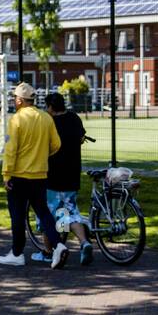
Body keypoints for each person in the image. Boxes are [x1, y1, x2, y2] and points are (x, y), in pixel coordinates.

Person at [0, 82, 67, 268]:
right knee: (43, 212)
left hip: (19, 175)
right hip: (39, 174)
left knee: (18, 216)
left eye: (15, 98)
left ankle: (17, 253)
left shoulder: (17, 120)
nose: (14, 101)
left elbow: (10, 150)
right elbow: (56, 145)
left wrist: (7, 174)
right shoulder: (46, 118)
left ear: (20, 100)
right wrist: (42, 155)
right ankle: (58, 244)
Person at [29, 91, 95, 266]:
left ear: (50, 107)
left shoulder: (49, 122)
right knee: (69, 213)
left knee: (46, 213)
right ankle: (84, 242)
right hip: (72, 174)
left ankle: (49, 251)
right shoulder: (74, 118)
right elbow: (81, 138)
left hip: (52, 175)